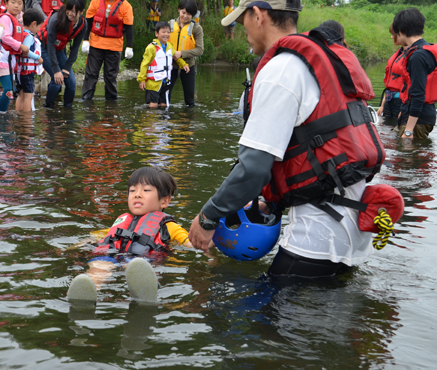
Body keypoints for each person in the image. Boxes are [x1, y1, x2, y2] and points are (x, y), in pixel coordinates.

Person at [188, 0, 385, 278]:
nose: (241, 27)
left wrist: (208, 216)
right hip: (349, 233)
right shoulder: (318, 60)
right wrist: (275, 202)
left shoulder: (280, 70)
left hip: (317, 238)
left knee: (258, 318)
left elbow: (253, 169)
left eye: (242, 18)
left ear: (258, 15)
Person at [66, 166, 192, 304]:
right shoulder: (123, 222)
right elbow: (101, 236)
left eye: (146, 190)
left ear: (164, 201)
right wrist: (73, 246)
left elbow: (189, 241)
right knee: (99, 266)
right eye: (132, 190)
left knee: (136, 267)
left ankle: (145, 293)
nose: (137, 194)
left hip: (145, 258)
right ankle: (86, 293)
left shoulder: (168, 226)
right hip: (112, 253)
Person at [392, 8, 436, 139]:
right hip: (421, 115)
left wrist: (409, 130)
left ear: (401, 31)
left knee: (409, 158)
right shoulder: (424, 50)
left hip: (417, 120)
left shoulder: (418, 56)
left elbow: (418, 93)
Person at [80, 0, 134, 100]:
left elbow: (129, 27)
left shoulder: (126, 6)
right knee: (91, 74)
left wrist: (129, 46)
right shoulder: (95, 2)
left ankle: (111, 105)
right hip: (96, 45)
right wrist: (86, 39)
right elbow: (88, 21)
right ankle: (86, 100)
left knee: (111, 77)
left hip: (114, 46)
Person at [38, 0, 86, 108]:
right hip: (44, 47)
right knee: (57, 80)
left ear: (82, 11)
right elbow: (50, 45)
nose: (70, 13)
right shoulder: (56, 19)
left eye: (74, 11)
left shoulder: (82, 24)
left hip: (59, 50)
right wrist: (56, 70)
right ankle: (48, 107)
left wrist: (67, 67)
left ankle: (67, 110)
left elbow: (75, 49)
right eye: (69, 10)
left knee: (71, 83)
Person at [137, 21, 190, 108]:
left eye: (168, 32)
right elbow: (144, 64)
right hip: (153, 83)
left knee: (164, 105)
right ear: (156, 33)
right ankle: (149, 121)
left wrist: (183, 64)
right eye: (163, 32)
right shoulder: (151, 48)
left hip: (166, 81)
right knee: (153, 105)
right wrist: (141, 79)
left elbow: (176, 57)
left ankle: (162, 122)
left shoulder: (170, 46)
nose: (166, 34)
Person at [0, 0, 30, 113]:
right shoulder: (5, 18)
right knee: (9, 89)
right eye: (13, 2)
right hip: (2, 59)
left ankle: (2, 113)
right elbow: (5, 37)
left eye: (20, 3)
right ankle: (1, 114)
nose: (16, 6)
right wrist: (21, 46)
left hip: (11, 60)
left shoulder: (18, 19)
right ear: (6, 3)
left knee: (11, 90)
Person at [168, 0, 204, 107]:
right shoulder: (169, 25)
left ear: (192, 15)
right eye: (183, 12)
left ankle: (189, 121)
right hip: (170, 66)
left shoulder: (197, 28)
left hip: (188, 66)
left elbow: (200, 50)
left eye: (189, 14)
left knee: (190, 101)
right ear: (179, 10)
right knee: (164, 97)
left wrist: (181, 53)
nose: (185, 16)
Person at [15, 8, 45, 111]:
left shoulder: (20, 33)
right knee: (28, 96)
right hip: (27, 73)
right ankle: (27, 121)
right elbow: (26, 51)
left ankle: (19, 117)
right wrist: (38, 58)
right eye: (39, 27)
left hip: (19, 71)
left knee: (21, 95)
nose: (39, 29)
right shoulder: (29, 36)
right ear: (34, 24)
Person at [377, 23, 407, 120]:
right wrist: (382, 106)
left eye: (393, 34)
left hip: (401, 102)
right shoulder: (398, 54)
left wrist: (404, 109)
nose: (391, 37)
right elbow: (389, 86)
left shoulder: (412, 56)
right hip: (389, 99)